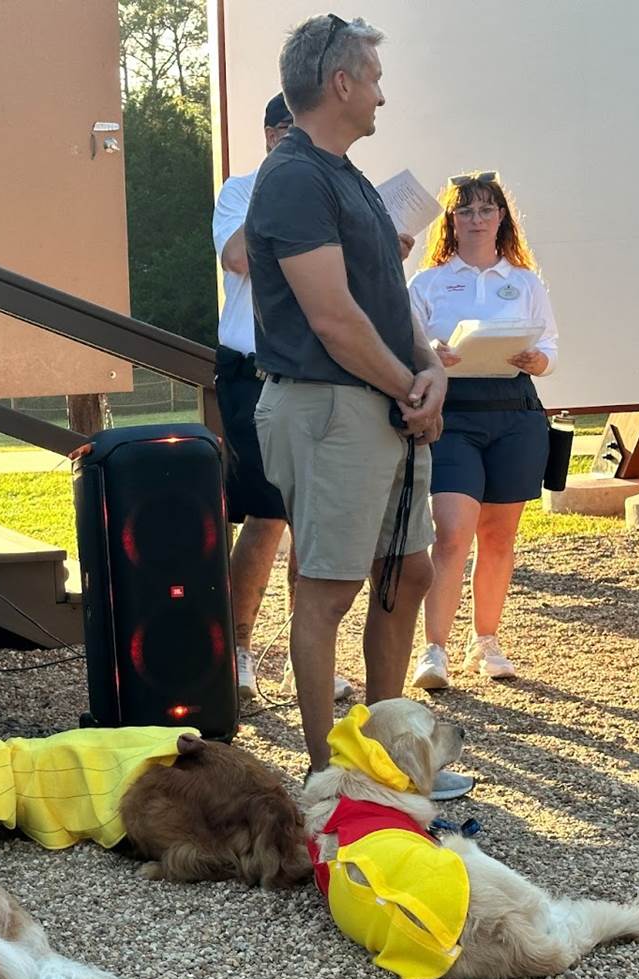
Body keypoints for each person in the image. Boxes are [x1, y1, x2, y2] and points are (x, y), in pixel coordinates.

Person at [246, 16, 449, 779]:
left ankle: (383, 757)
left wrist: (428, 370)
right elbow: (332, 317)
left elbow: (384, 295)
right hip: (333, 405)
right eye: (373, 79)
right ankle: (329, 775)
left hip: (382, 403)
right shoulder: (294, 176)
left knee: (408, 574)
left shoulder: (346, 175)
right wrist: (411, 389)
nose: (381, 96)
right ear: (340, 83)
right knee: (328, 589)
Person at [213, 92, 351, 703]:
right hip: (252, 368)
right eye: (288, 130)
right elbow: (237, 257)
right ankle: (238, 650)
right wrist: (277, 191)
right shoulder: (241, 191)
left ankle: (307, 659)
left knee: (312, 518)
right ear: (271, 135)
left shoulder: (331, 194)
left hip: (319, 369)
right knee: (267, 513)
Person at [408, 172, 558, 689]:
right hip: (451, 415)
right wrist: (432, 355)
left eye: (486, 209)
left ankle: (486, 641)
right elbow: (406, 347)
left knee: (498, 535)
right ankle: (434, 650)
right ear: (451, 220)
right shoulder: (427, 282)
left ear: (501, 217)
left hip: (514, 413)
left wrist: (537, 359)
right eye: (466, 210)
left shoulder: (525, 281)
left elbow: (551, 349)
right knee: (451, 532)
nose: (476, 219)